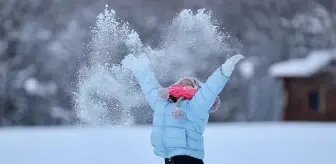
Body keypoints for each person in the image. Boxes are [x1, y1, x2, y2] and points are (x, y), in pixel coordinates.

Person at [122, 53, 244, 164]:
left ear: (197, 89)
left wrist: (223, 72)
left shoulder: (196, 105)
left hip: (189, 158)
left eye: (189, 84)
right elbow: (150, 86)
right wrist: (139, 68)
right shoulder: (162, 103)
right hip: (169, 158)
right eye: (182, 83)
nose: (184, 85)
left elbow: (210, 89)